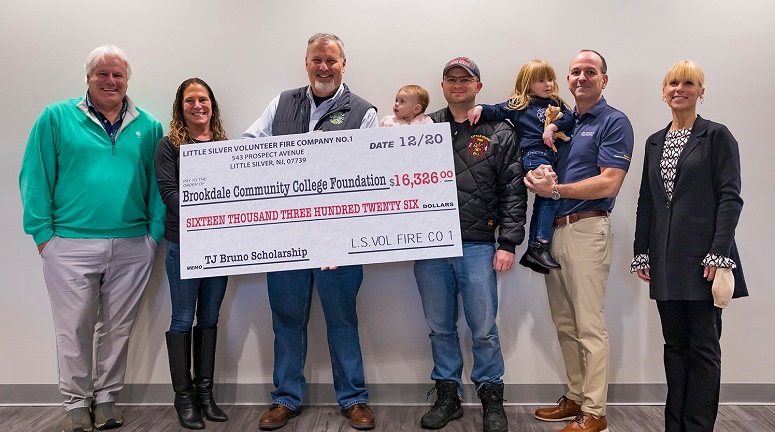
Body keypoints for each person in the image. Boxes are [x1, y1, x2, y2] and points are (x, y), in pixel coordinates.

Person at [19, 45, 164, 432]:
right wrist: (43, 236)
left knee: (118, 328)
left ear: (127, 80)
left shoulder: (148, 126)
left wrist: (153, 236)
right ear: (88, 78)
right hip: (68, 244)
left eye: (118, 75)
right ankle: (76, 403)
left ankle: (107, 399)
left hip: (133, 244)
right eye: (102, 73)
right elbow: (35, 175)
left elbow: (156, 186)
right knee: (74, 327)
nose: (110, 81)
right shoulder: (55, 117)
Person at [243, 33, 378, 431]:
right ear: (306, 63)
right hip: (285, 235)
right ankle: (285, 398)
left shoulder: (364, 112)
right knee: (286, 318)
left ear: (343, 64)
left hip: (339, 237)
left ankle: (354, 399)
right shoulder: (281, 104)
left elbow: (372, 173)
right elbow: (248, 150)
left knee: (342, 319)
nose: (324, 67)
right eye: (317, 59)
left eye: (331, 60)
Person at [630, 60, 747, 432]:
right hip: (665, 261)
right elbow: (647, 201)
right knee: (675, 348)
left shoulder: (717, 136)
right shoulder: (654, 141)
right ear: (664, 92)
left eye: (689, 83)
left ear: (701, 91)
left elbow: (730, 198)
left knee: (703, 349)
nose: (679, 89)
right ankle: (674, 425)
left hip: (704, 262)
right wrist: (641, 251)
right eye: (673, 83)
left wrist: (719, 252)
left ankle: (697, 426)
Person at [524, 50, 634, 432]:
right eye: (575, 72)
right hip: (553, 232)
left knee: (589, 325)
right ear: (567, 80)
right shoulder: (563, 122)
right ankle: (575, 396)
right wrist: (535, 178)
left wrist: (556, 191)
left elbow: (610, 182)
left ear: (604, 79)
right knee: (565, 323)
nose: (582, 77)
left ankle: (595, 412)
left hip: (587, 229)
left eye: (590, 71)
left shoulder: (614, 121)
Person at [415, 56, 526, 432]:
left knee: (484, 329)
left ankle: (491, 398)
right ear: (442, 86)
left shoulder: (500, 130)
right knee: (439, 327)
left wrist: (508, 242)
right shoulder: (422, 127)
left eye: (466, 79)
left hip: (478, 245)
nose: (458, 84)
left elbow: (513, 190)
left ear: (478, 86)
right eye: (451, 79)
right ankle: (448, 397)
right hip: (429, 246)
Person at [155, 78, 230, 429]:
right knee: (183, 319)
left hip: (219, 246)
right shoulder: (169, 145)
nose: (197, 105)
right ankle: (183, 399)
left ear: (212, 104)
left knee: (210, 318)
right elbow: (168, 193)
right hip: (183, 244)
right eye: (189, 100)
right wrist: (205, 215)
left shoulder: (225, 146)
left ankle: (205, 394)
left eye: (203, 99)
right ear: (180, 107)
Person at [468, 59, 575, 273]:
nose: (548, 84)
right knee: (551, 194)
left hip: (552, 156)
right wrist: (480, 108)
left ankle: (535, 248)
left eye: (550, 79)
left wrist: (553, 127)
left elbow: (569, 118)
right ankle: (539, 245)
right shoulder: (520, 104)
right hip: (534, 155)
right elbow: (497, 110)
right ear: (527, 84)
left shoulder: (556, 102)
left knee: (546, 198)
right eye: (541, 80)